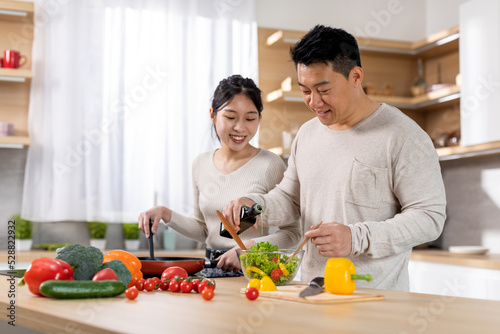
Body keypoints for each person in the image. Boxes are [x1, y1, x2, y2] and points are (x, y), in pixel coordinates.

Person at [223, 26, 446, 290]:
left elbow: (429, 218)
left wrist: (355, 237)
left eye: (323, 89)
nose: (314, 102)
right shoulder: (307, 134)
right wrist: (255, 206)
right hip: (311, 293)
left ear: (355, 76)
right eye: (305, 90)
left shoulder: (403, 135)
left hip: (374, 302)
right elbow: (291, 199)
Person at [138, 74, 301, 274]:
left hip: (252, 269)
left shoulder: (270, 165)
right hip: (210, 268)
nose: (240, 127)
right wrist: (166, 214)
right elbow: (204, 229)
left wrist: (246, 250)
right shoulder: (201, 163)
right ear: (213, 115)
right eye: (231, 117)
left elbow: (294, 233)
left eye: (250, 118)